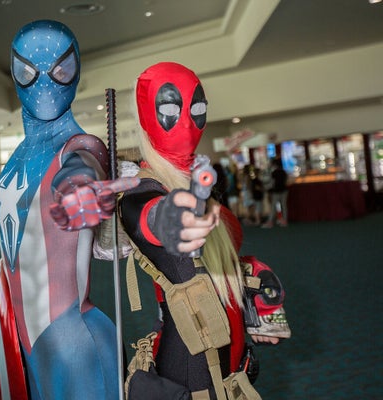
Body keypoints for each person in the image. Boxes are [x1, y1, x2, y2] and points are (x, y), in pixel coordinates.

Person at [0, 20, 138, 400]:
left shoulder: (78, 144)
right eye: (28, 71)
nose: (45, 82)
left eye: (60, 68)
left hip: (73, 345)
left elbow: (84, 163)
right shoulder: (16, 159)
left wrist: (78, 186)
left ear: (75, 68)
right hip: (22, 339)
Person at [118, 63, 288, 399]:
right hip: (192, 359)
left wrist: (254, 284)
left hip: (231, 349)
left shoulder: (196, 179)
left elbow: (218, 263)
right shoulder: (142, 190)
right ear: (147, 113)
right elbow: (154, 218)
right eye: (169, 108)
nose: (187, 120)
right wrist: (174, 218)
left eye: (197, 108)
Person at [262, 157, 289, 228]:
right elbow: (286, 181)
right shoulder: (284, 172)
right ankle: (284, 220)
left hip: (276, 191)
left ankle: (270, 222)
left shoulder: (274, 172)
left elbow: (272, 183)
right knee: (283, 206)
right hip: (284, 190)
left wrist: (267, 188)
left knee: (274, 207)